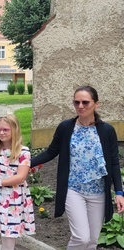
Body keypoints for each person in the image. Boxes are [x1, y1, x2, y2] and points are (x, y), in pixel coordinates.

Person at [31, 85, 124, 249]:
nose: (80, 106)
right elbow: (51, 152)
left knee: (93, 240)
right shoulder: (66, 128)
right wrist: (26, 162)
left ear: (96, 104)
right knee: (81, 237)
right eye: (76, 102)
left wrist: (119, 192)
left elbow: (114, 163)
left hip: (98, 193)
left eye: (85, 102)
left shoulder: (107, 131)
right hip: (74, 190)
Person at [0, 114, 35, 250]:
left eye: (6, 130)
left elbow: (21, 177)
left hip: (14, 198)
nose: (1, 132)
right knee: (5, 234)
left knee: (10, 234)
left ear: (14, 130)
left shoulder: (23, 151)